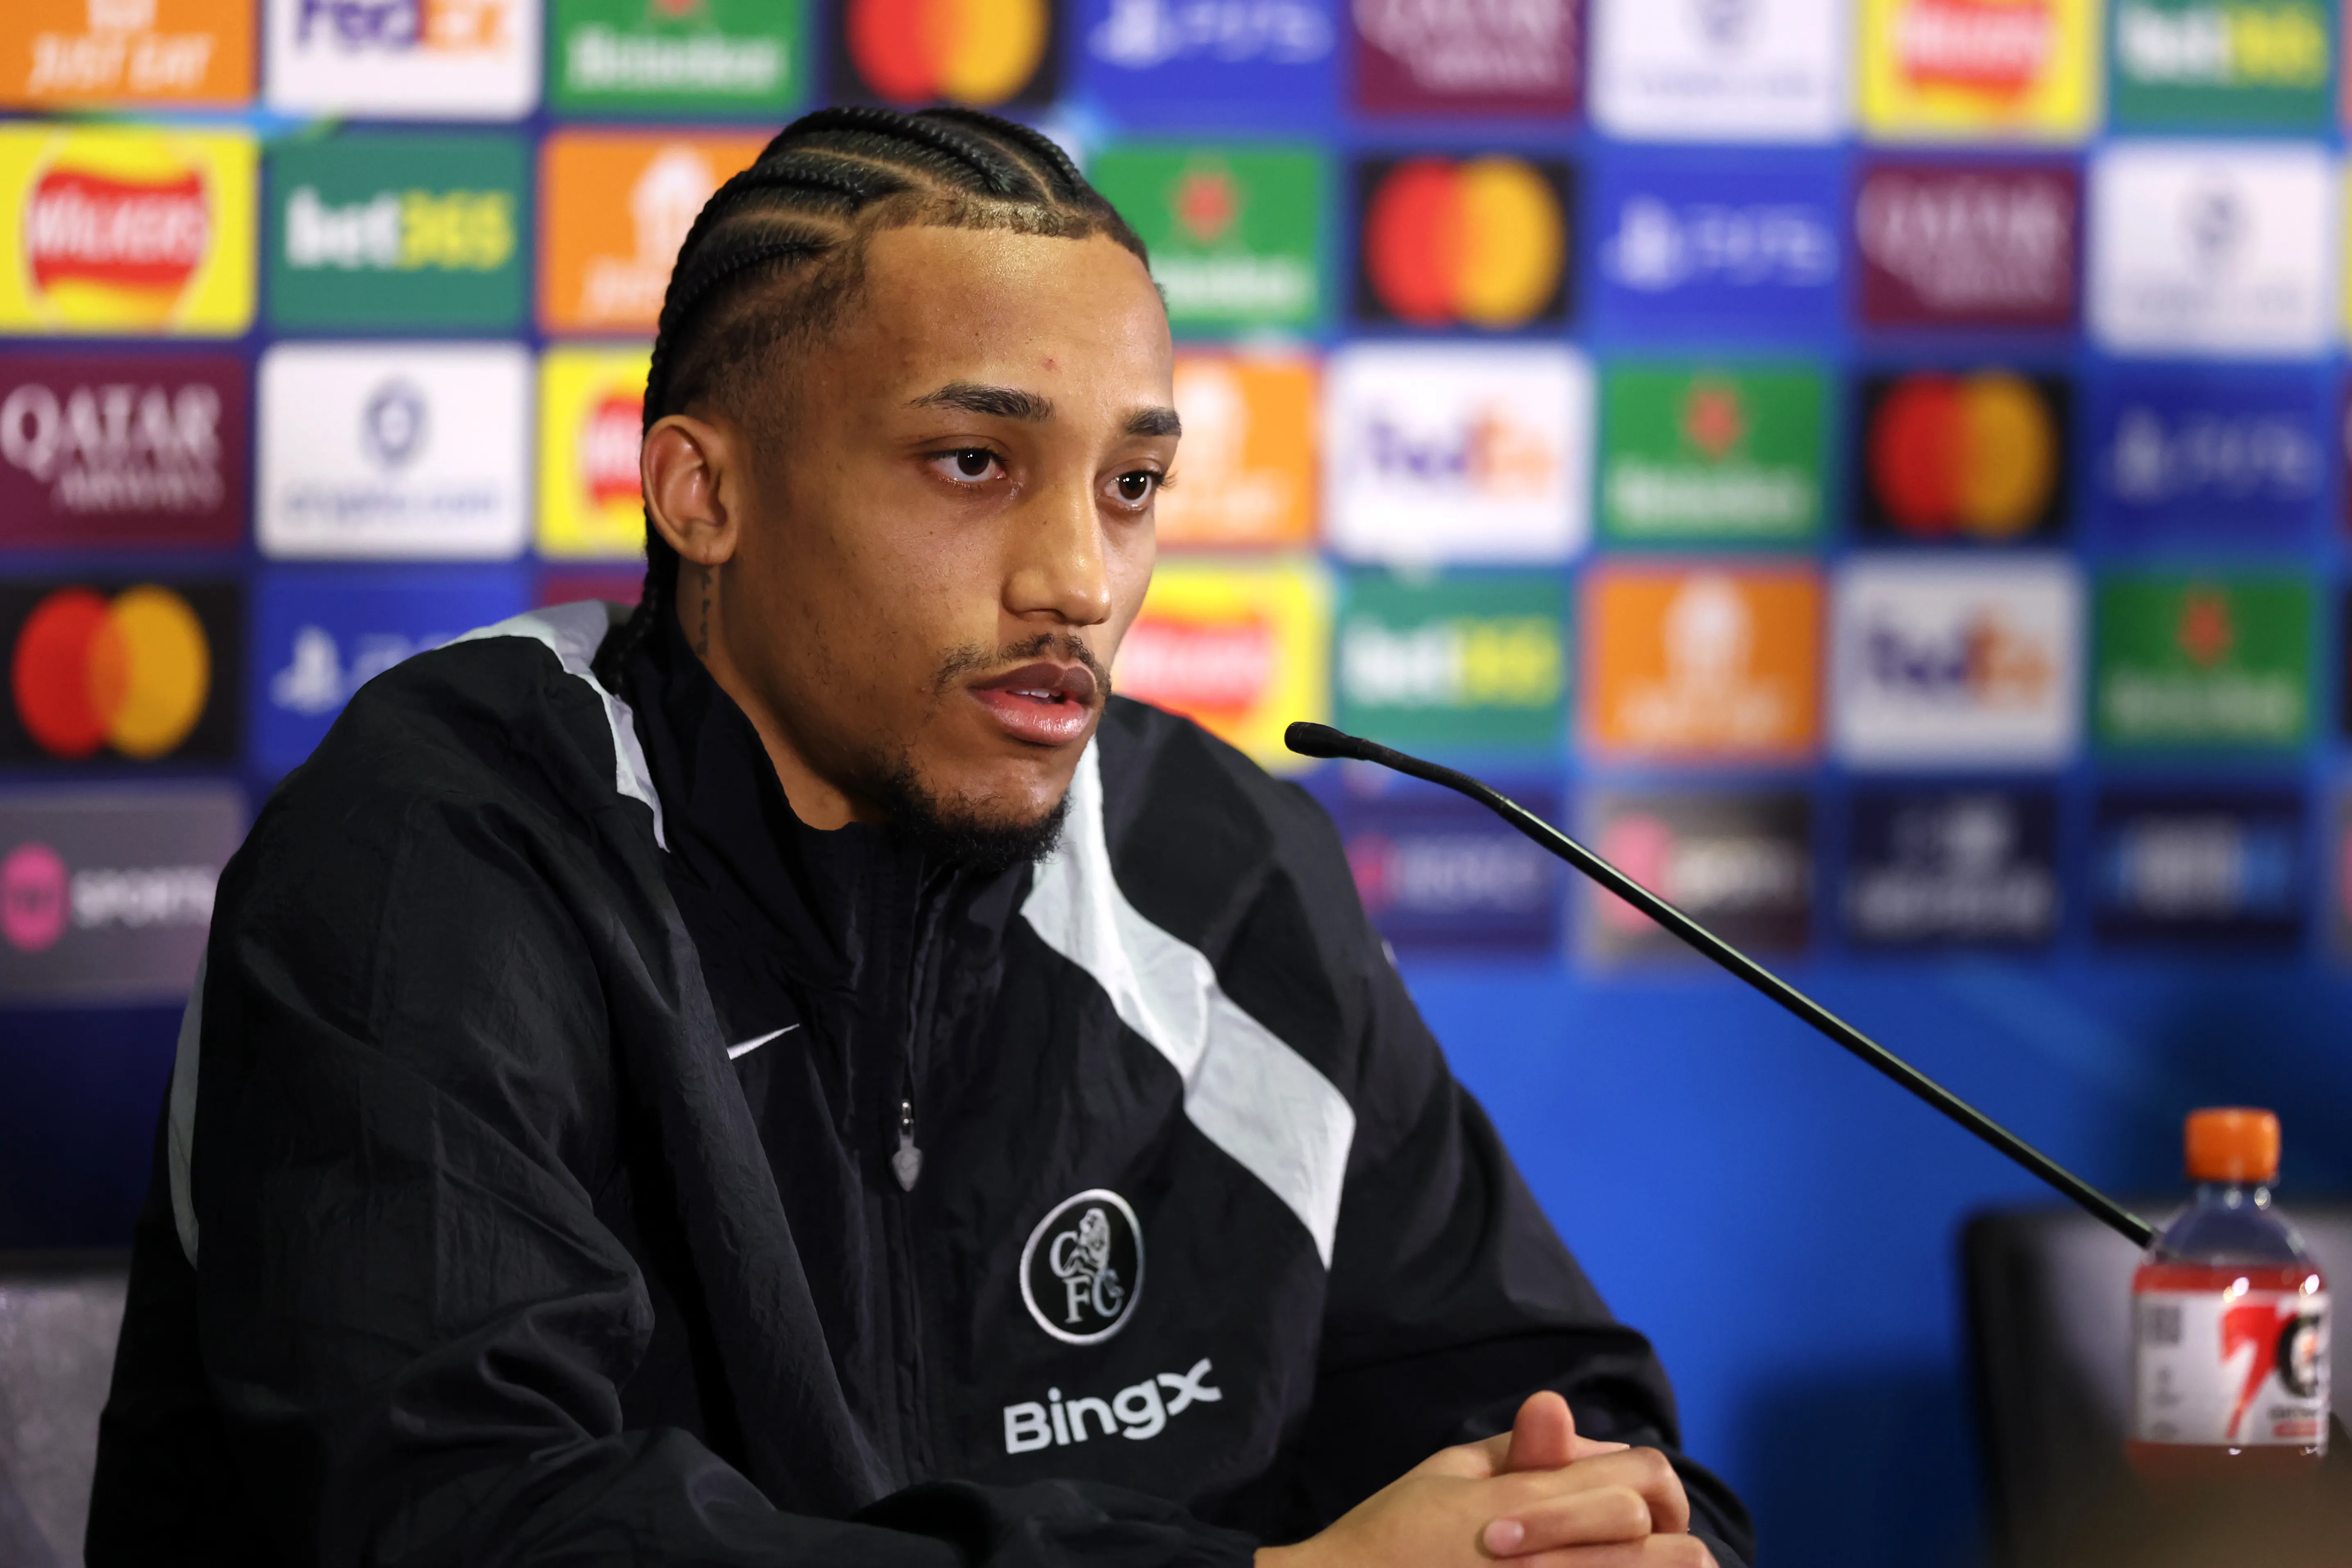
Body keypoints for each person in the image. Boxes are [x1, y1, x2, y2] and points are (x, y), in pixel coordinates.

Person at [87, 106, 1754, 1568]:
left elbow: (1570, 1421)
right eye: (973, 461)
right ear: (701, 492)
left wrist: (1592, 1527)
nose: (1080, 584)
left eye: (1128, 487)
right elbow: (473, 1522)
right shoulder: (438, 858)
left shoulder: (1220, 866)